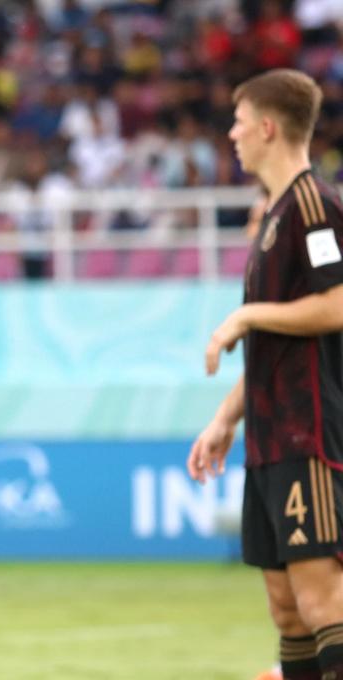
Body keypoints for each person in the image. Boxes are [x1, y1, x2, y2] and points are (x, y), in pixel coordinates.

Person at [189, 68, 343, 680]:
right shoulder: (274, 216)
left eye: (240, 121)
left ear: (269, 127)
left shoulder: (314, 205)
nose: (232, 134)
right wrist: (226, 418)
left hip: (309, 433)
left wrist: (243, 316)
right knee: (287, 611)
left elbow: (335, 306)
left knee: (319, 596)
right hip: (269, 438)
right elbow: (279, 344)